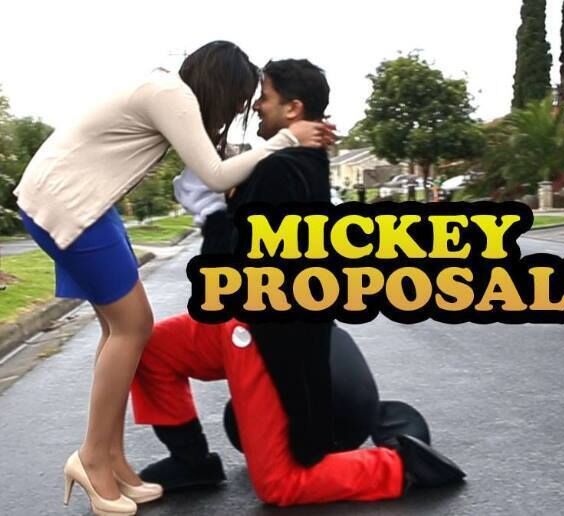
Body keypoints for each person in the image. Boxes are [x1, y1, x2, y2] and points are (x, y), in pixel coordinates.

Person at [13, 42, 333, 516]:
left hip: (86, 203)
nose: (242, 109)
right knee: (134, 328)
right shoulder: (171, 94)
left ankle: (112, 458)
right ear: (222, 85)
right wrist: (287, 138)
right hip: (70, 202)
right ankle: (93, 458)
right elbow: (215, 174)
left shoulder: (166, 93)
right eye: (241, 97)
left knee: (120, 330)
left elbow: (211, 171)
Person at [131, 59, 465, 507]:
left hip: (260, 333)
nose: (256, 107)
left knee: (281, 485)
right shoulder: (285, 162)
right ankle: (191, 461)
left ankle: (401, 465)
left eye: (264, 98)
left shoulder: (282, 170)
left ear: (293, 108)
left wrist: (213, 216)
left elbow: (226, 269)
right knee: (151, 347)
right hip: (239, 323)